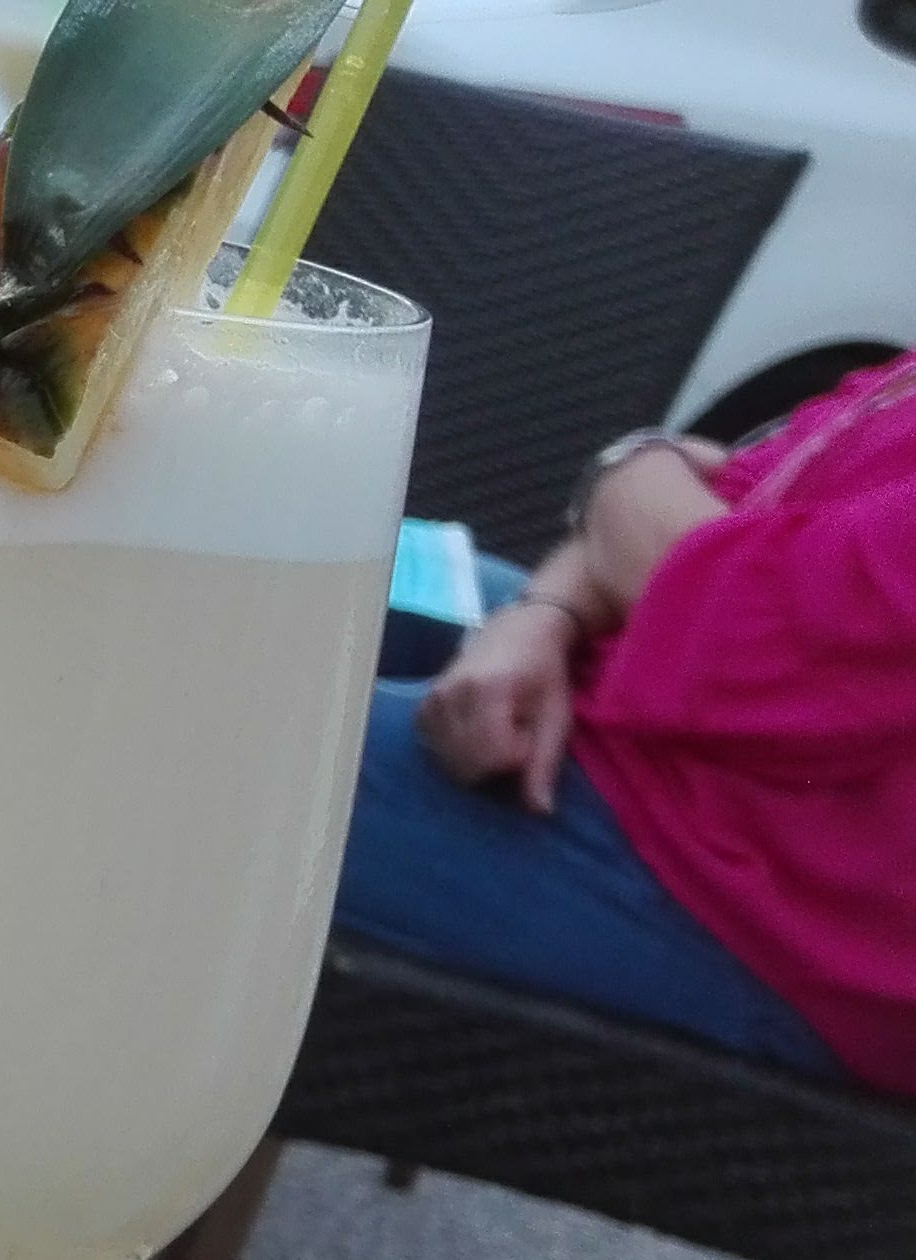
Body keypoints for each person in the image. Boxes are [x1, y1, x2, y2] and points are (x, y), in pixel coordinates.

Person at [338, 352, 916, 1086]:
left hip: (751, 914)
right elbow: (728, 501)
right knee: (309, 562)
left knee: (217, 743)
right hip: (661, 732)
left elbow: (742, 634)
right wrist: (549, 609)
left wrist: (627, 473)